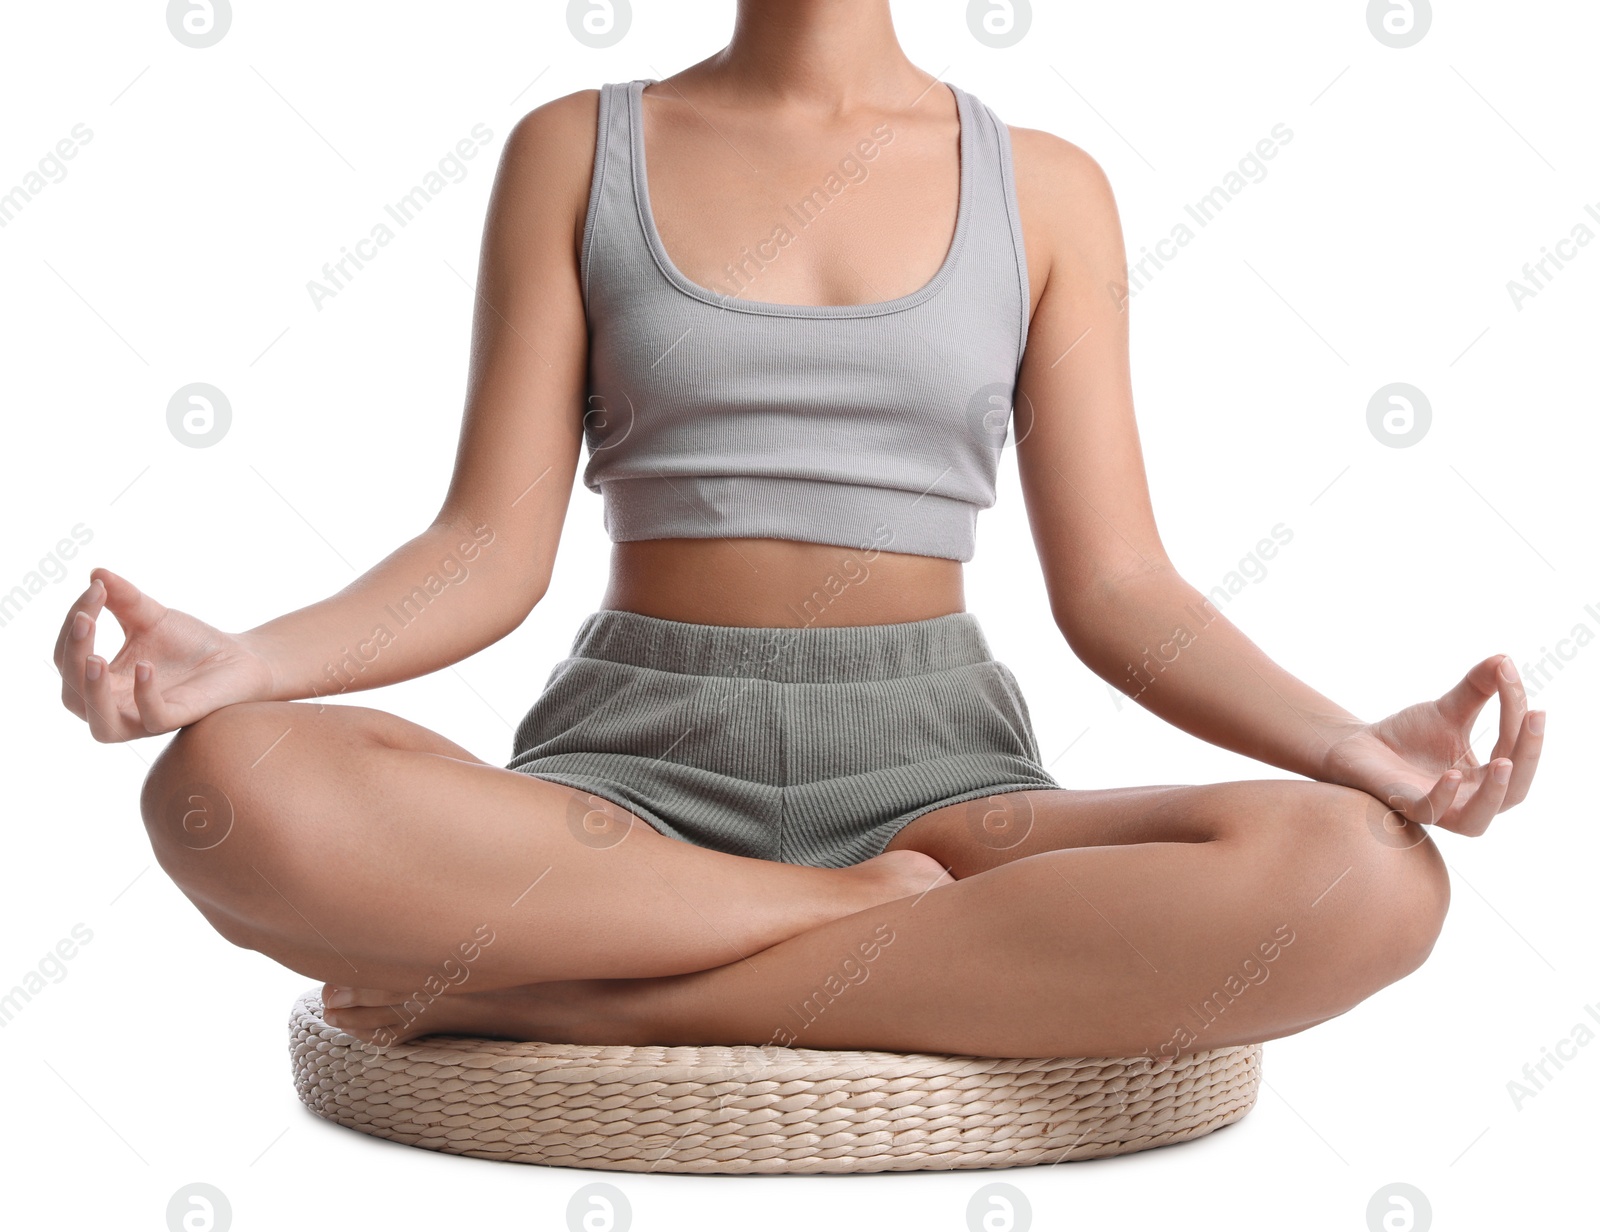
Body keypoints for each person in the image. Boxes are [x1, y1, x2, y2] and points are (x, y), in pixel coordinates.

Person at [54, 2, 1541, 1061]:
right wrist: (241, 663)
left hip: (944, 786)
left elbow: (1120, 585)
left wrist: (1350, 747)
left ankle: (579, 1001)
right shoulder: (579, 147)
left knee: (1368, 874)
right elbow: (482, 551)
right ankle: (833, 927)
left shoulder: (1048, 189)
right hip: (626, 783)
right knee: (231, 783)